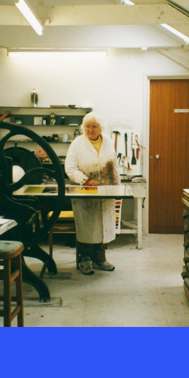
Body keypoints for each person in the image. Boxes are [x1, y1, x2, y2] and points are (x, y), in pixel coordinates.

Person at [63, 113, 120, 275]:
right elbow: (70, 168)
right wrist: (85, 180)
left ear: (100, 128)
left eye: (94, 126)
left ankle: (100, 259)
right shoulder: (77, 143)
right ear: (83, 128)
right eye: (87, 126)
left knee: (103, 226)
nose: (90, 129)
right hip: (85, 191)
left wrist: (116, 185)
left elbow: (113, 164)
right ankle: (85, 260)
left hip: (105, 190)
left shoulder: (107, 141)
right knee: (87, 227)